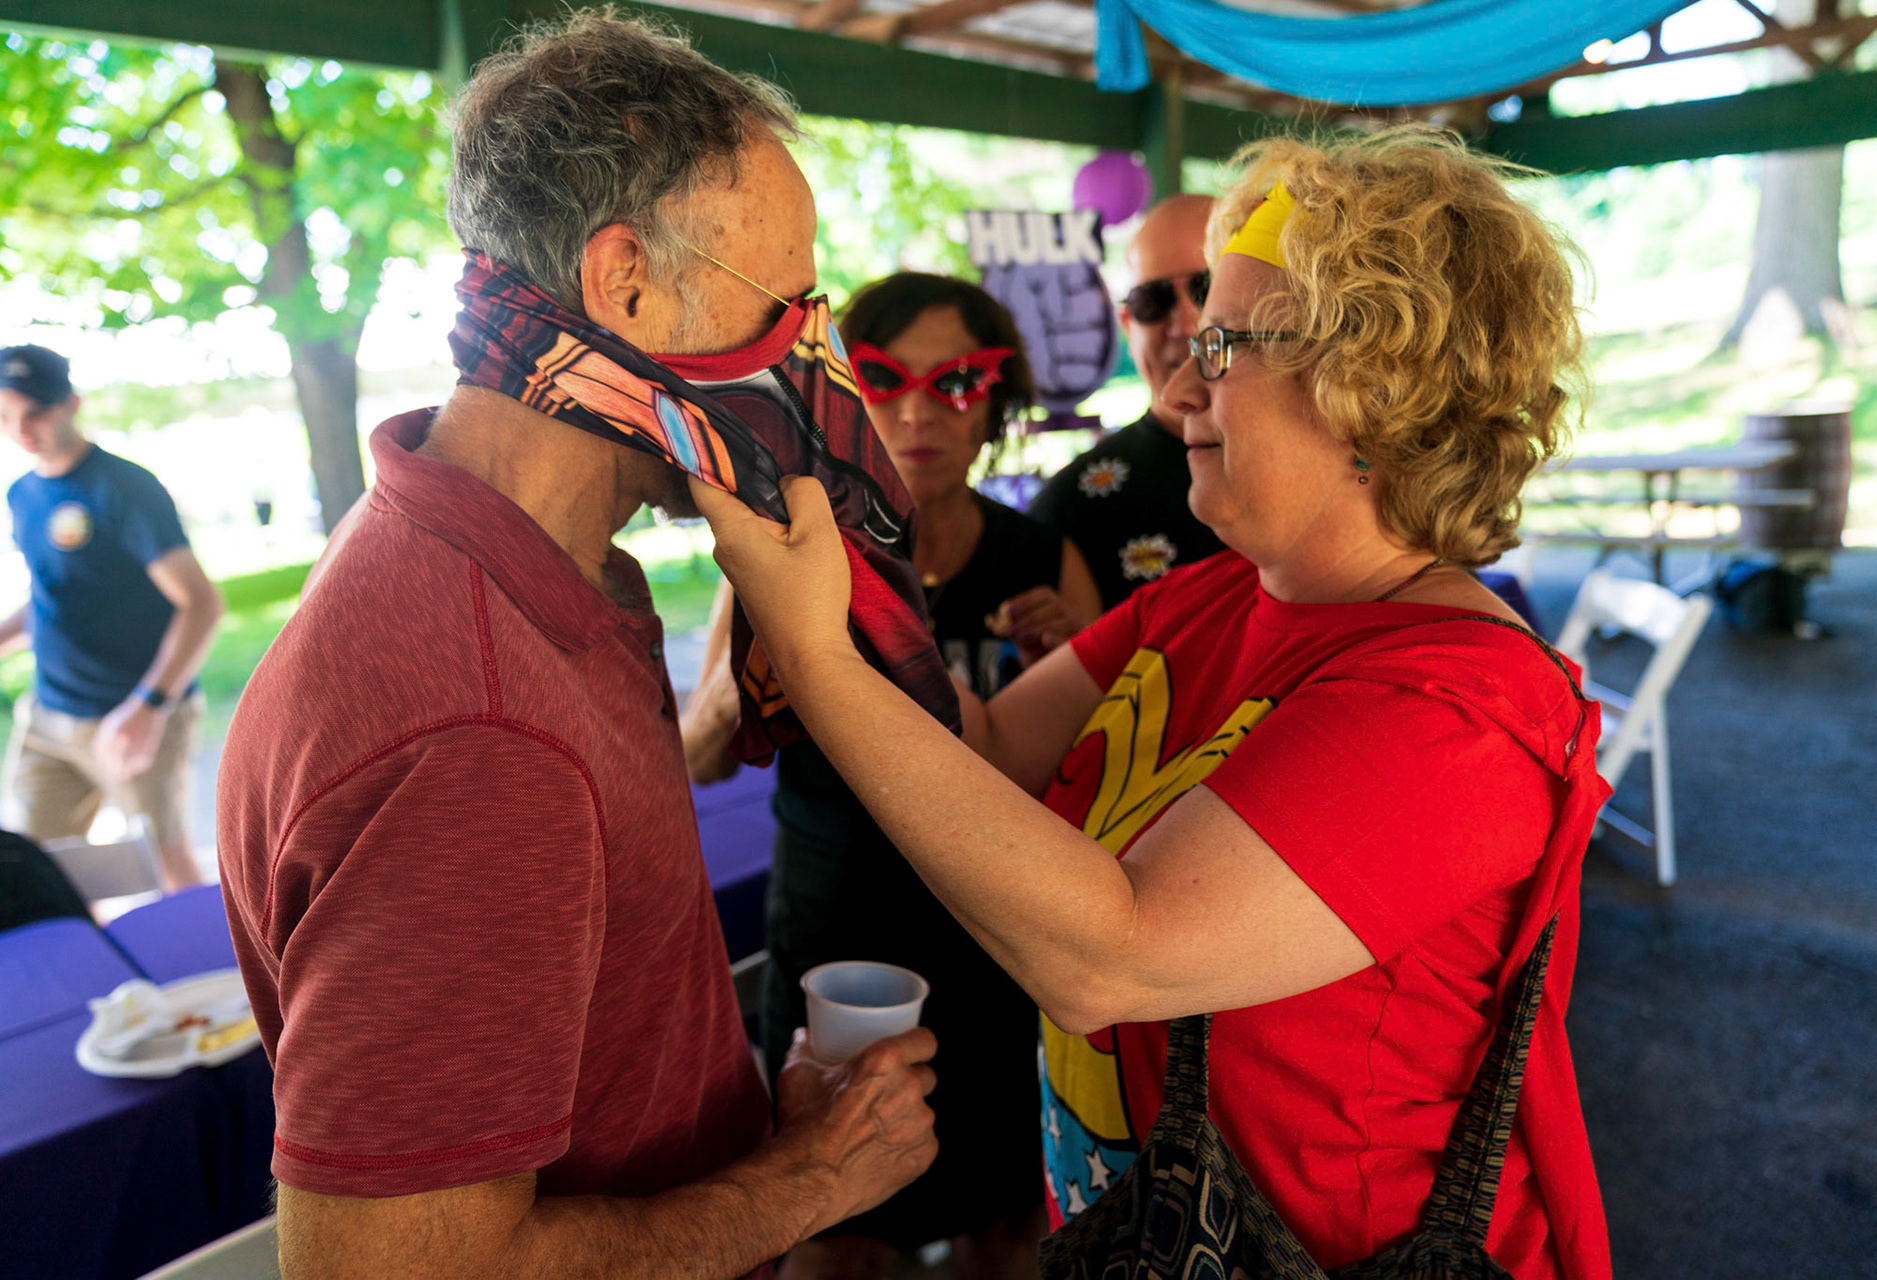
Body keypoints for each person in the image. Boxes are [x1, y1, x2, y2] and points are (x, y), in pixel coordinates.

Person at [693, 126, 1614, 1279]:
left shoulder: (1455, 707)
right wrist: (852, 512)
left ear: (1373, 389)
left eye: (1224, 344)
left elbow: (1109, 956)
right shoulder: (1213, 595)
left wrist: (822, 660)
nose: (1179, 386)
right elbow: (981, 745)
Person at [215, 13, 939, 1277]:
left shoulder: (497, 556)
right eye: (786, 303)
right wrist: (811, 1177)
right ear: (625, 285)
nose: (808, 359)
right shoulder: (478, 726)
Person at [682, 273, 1101, 1280]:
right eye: (884, 376)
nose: (918, 409)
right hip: (841, 940)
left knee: (1008, 1226)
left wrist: (1076, 656)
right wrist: (769, 658)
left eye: (956, 382)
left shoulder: (1041, 557)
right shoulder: (795, 553)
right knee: (832, 1229)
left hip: (998, 941)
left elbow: (1107, 773)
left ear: (995, 404)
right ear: (846, 396)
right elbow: (697, 753)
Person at [0, 343, 222, 892]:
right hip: (48, 719)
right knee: (35, 872)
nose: (22, 430)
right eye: (6, 417)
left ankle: (215, 975)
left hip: (132, 715)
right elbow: (58, 596)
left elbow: (201, 603)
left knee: (166, 865)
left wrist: (148, 706)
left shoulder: (124, 487)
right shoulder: (22, 494)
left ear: (71, 403)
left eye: (36, 412)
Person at [1028, 195, 1225, 608]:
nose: (1187, 323)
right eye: (1152, 301)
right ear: (1127, 324)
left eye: (1208, 287)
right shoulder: (1070, 509)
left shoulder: (1335, 461)